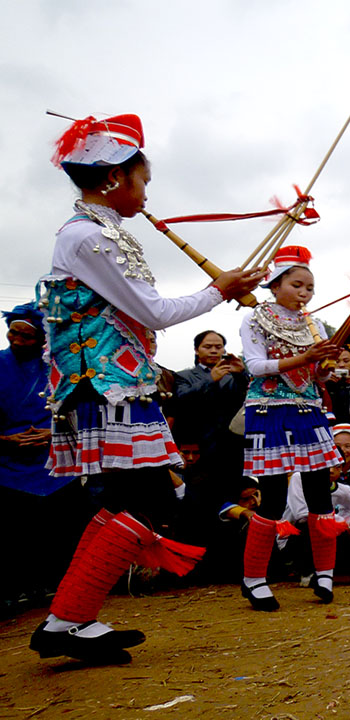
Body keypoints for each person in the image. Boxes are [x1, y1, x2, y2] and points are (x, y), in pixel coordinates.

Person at [32, 114, 265, 663]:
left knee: (126, 500)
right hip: (106, 388)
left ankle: (68, 618)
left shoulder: (94, 232)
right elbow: (154, 312)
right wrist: (218, 290)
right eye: (143, 180)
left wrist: (219, 288)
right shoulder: (89, 236)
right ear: (115, 178)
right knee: (147, 499)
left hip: (115, 387)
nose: (146, 192)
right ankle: (69, 619)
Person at [239, 245, 347, 611]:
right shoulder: (255, 319)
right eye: (297, 285)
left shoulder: (313, 323)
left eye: (310, 288)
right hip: (269, 409)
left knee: (320, 491)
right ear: (275, 285)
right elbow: (255, 366)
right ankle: (253, 577)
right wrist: (305, 358)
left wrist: (324, 368)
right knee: (273, 496)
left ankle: (325, 572)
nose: (305, 293)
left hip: (308, 409)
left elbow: (316, 375)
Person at [1, 302, 84, 611]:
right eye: (13, 333)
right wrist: (5, 439)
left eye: (27, 336)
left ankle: (56, 587)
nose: (17, 340)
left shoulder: (61, 369)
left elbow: (83, 410)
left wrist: (53, 433)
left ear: (42, 339)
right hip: (7, 467)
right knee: (13, 532)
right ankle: (13, 590)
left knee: (57, 529)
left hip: (56, 463)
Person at [173, 330, 248, 480]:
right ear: (196, 350)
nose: (214, 351)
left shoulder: (232, 376)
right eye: (208, 347)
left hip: (231, 448)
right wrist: (210, 379)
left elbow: (245, 398)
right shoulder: (183, 376)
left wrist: (241, 374)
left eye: (218, 347)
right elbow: (182, 400)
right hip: (198, 447)